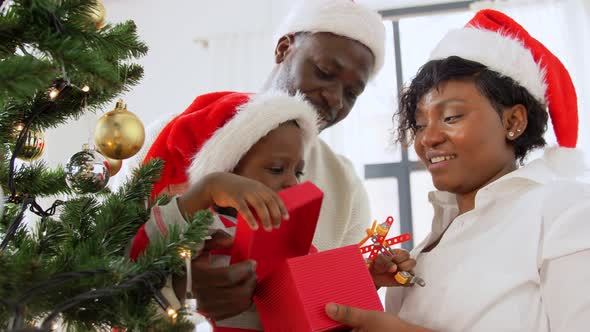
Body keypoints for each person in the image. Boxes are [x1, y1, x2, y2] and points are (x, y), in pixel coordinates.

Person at [111, 0, 390, 322]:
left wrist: (367, 278)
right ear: (284, 48)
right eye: (325, 72)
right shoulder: (171, 137)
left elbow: (331, 306)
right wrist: (176, 286)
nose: (335, 98)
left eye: (352, 93)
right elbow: (103, 260)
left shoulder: (345, 186)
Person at [324, 9, 590, 331]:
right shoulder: (423, 249)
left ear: (513, 122)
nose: (428, 138)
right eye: (420, 125)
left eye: (451, 117)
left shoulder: (565, 210)